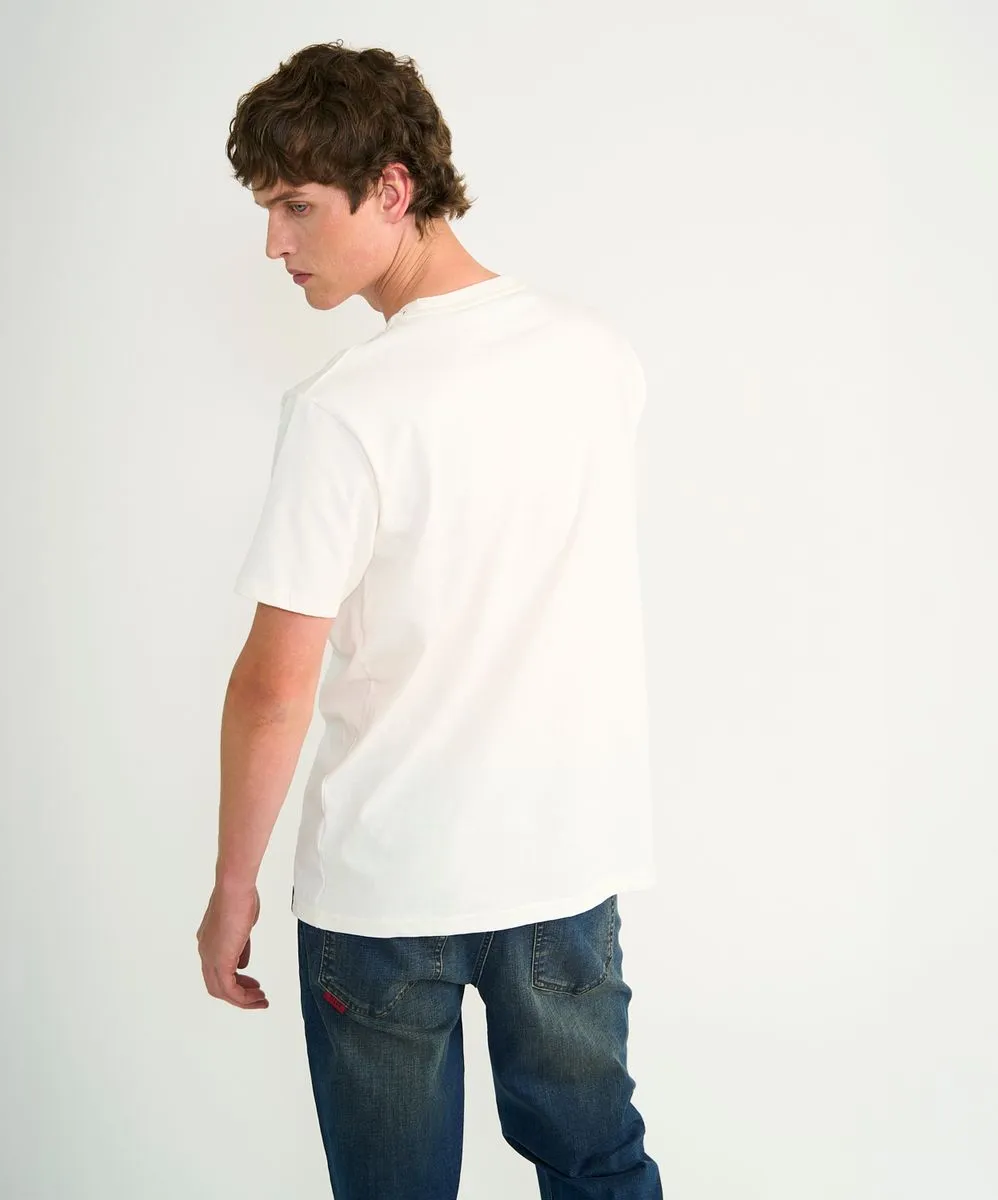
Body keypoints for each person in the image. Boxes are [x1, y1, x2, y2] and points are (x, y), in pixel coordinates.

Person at [196, 39, 663, 1200]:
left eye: (297, 206)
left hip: (386, 887)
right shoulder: (600, 359)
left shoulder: (344, 411)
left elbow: (274, 688)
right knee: (599, 1166)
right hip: (561, 865)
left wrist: (232, 886)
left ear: (393, 188)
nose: (275, 245)